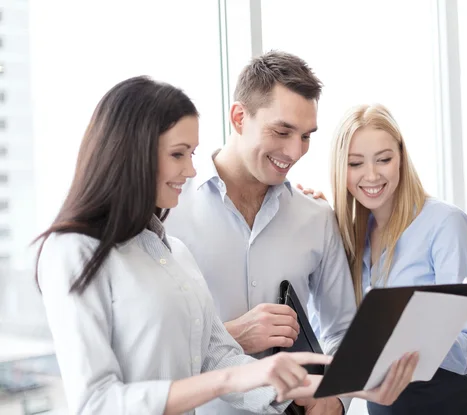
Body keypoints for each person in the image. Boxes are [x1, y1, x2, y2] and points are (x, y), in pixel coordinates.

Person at [33, 76, 343, 415]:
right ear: (133, 151)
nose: (191, 169)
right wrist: (225, 382)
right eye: (178, 154)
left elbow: (216, 357)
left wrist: (307, 390)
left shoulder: (174, 252)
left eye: (192, 153)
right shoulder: (73, 251)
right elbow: (96, 402)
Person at [165, 51, 419, 415]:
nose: (295, 150)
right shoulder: (169, 212)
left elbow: (343, 329)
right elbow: (149, 344)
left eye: (305, 136)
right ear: (239, 117)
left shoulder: (315, 217)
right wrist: (234, 334)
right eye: (282, 131)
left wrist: (336, 399)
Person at [327, 103, 467, 414]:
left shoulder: (444, 223)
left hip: (447, 405)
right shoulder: (349, 235)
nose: (371, 175)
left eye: (384, 159)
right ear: (341, 169)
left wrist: (414, 335)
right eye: (356, 163)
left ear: (401, 157)